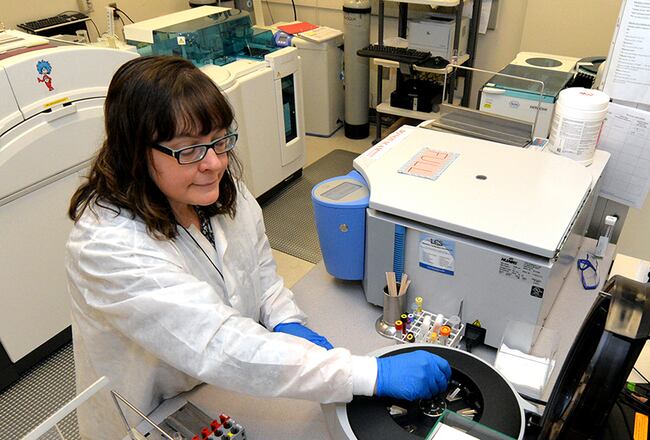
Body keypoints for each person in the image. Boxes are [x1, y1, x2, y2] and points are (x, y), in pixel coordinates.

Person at [66, 56, 451, 439]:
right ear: (135, 152)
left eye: (219, 140)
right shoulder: (108, 245)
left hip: (223, 385)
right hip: (150, 411)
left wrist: (285, 320)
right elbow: (216, 342)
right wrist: (368, 374)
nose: (214, 163)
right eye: (190, 149)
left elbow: (259, 272)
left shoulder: (215, 187)